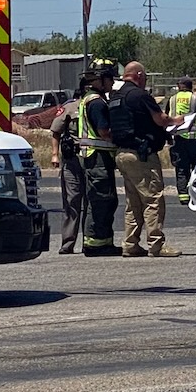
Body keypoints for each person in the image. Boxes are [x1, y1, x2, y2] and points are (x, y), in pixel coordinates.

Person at [108, 61, 185, 257]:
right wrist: (177, 121)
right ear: (139, 75)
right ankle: (156, 244)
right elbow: (160, 119)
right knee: (153, 199)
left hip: (122, 154)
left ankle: (130, 243)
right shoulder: (139, 95)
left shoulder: (116, 97)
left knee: (133, 202)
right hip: (141, 154)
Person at [77, 59, 122, 257]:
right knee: (102, 200)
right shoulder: (96, 103)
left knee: (102, 199)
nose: (112, 83)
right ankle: (96, 244)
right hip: (98, 158)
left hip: (95, 157)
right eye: (110, 79)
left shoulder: (89, 99)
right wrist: (122, 136)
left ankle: (100, 241)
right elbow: (104, 132)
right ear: (100, 80)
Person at [48, 87, 84, 254]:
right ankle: (67, 243)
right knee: (72, 201)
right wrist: (55, 154)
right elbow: (55, 131)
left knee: (92, 202)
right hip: (72, 159)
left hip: (93, 159)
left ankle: (91, 242)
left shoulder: (98, 105)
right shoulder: (69, 108)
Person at [166, 76, 196, 205]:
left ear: (179, 86)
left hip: (178, 138)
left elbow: (166, 118)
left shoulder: (172, 99)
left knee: (181, 167)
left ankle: (183, 196)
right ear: (190, 86)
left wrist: (168, 137)